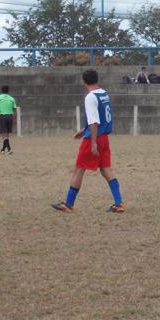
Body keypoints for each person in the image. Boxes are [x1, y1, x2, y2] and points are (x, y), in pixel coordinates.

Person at [52, 69, 125, 213]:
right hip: (104, 138)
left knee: (79, 170)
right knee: (106, 169)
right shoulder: (103, 93)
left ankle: (68, 204)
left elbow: (94, 122)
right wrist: (83, 130)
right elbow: (100, 117)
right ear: (97, 79)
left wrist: (93, 143)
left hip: (94, 137)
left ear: (83, 81)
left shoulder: (90, 97)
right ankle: (119, 203)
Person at [0, 85, 17, 154]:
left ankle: (9, 149)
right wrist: (15, 119)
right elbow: (14, 109)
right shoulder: (12, 98)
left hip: (2, 116)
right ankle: (3, 149)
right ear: (8, 90)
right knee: (7, 133)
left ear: (1, 90)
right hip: (10, 116)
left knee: (3, 133)